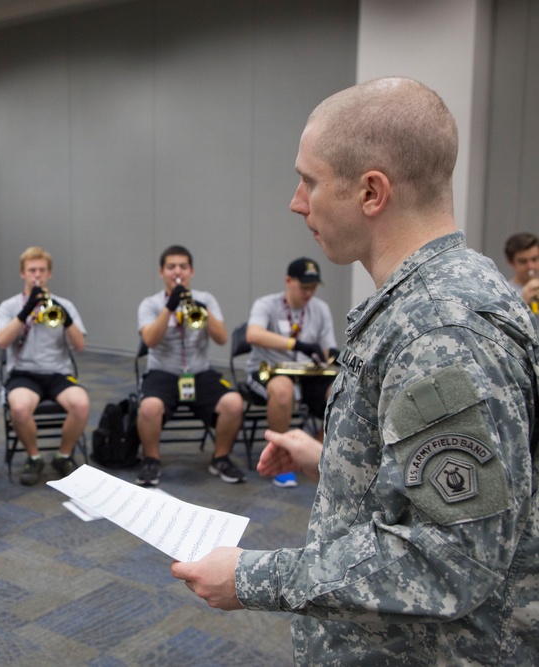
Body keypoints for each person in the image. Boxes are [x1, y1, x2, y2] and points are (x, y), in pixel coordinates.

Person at [171, 77, 539, 664]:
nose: (297, 201)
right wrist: (336, 461)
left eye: (309, 181)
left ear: (372, 192)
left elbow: (452, 559)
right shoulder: (449, 290)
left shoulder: (439, 331)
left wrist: (251, 578)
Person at [135, 245, 245, 487]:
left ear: (191, 271)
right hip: (162, 372)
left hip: (199, 372)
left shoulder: (205, 299)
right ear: (161, 272)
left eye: (183, 267)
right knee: (149, 407)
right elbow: (150, 340)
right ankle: (151, 460)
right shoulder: (150, 304)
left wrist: (204, 313)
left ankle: (221, 458)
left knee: (234, 403)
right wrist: (169, 307)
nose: (177, 272)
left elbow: (222, 338)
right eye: (171, 267)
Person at [0, 246, 89, 485]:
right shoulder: (9, 306)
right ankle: (34, 457)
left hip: (59, 373)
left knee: (81, 403)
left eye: (42, 270)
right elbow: (1, 342)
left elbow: (80, 346)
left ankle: (63, 456)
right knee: (18, 409)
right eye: (31, 270)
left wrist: (66, 318)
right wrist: (25, 312)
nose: (37, 275)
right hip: (24, 374)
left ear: (49, 275)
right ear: (22, 274)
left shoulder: (64, 304)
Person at [244, 257, 337, 487]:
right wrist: (295, 344)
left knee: (341, 389)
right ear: (288, 281)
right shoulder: (266, 304)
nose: (309, 293)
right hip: (269, 371)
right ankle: (281, 458)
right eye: (304, 287)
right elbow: (253, 335)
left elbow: (327, 350)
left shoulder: (320, 308)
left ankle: (319, 451)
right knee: (283, 390)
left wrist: (333, 355)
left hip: (306, 373)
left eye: (313, 288)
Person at [504, 232, 539, 314]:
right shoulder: (504, 293)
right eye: (523, 261)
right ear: (510, 262)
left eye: (534, 259)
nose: (531, 266)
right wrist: (522, 302)